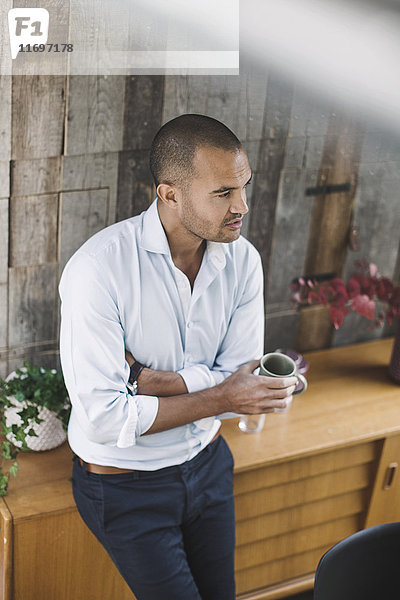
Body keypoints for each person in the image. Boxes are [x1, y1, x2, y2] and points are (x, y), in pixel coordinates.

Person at [59, 114, 297, 600]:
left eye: (244, 187)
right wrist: (220, 393)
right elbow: (105, 419)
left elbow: (241, 383)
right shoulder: (97, 271)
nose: (242, 206)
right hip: (125, 487)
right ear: (169, 194)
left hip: (208, 464)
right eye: (223, 193)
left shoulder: (243, 261)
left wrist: (153, 380)